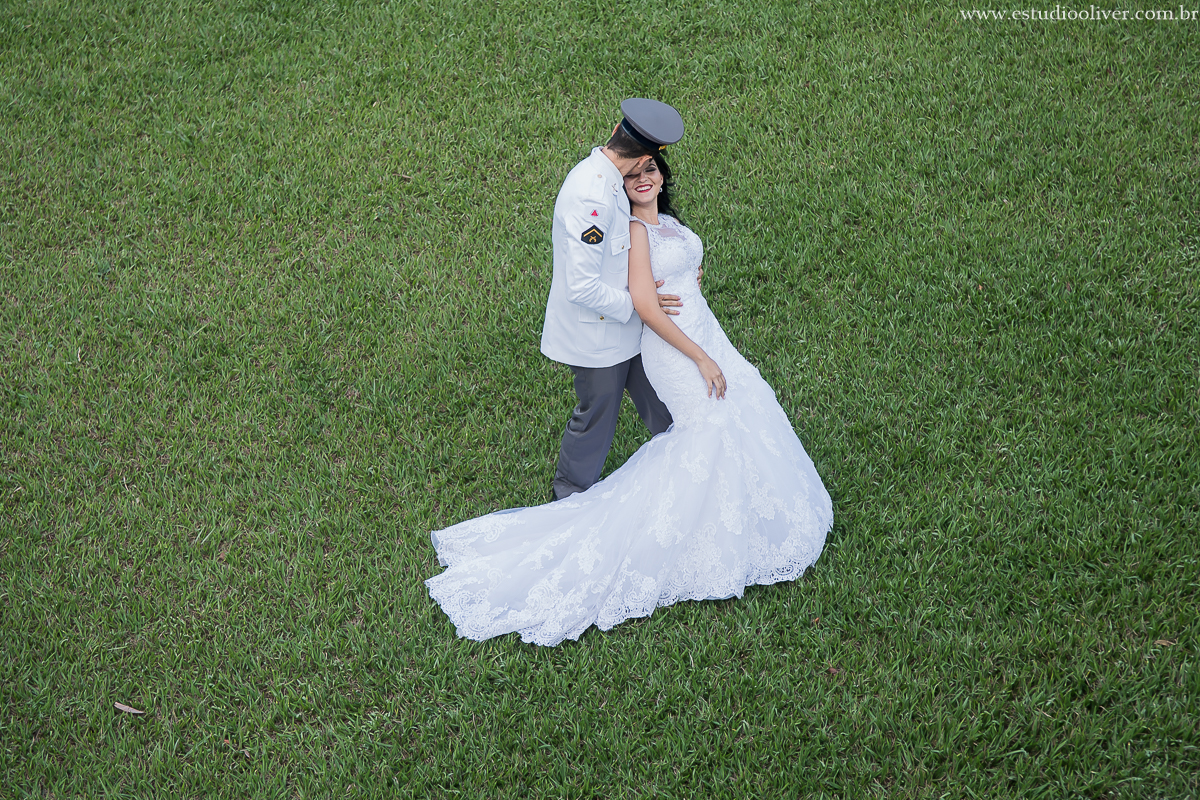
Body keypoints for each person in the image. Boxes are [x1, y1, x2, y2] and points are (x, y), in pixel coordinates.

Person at [424, 144, 834, 647]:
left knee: (716, 422)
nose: (644, 176)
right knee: (638, 418)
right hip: (659, 340)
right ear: (622, 179)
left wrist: (690, 282)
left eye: (652, 168)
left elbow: (672, 268)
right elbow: (619, 292)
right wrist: (690, 347)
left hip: (701, 332)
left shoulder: (661, 222)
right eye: (635, 170)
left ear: (663, 175)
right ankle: (586, 503)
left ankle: (716, 507)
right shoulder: (617, 217)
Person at [540, 99, 687, 502]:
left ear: (613, 133)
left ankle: (689, 466)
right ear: (643, 156)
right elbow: (583, 287)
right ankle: (568, 496)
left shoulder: (610, 176)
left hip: (629, 326)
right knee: (598, 415)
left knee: (665, 395)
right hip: (598, 339)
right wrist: (641, 305)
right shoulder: (594, 197)